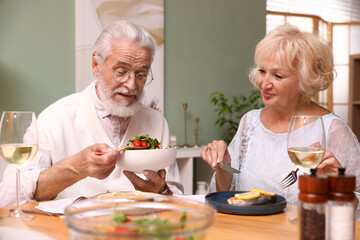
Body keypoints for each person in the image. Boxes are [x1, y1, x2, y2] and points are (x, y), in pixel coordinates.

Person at [0, 20, 183, 207]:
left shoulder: (156, 121)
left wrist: (161, 192)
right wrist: (76, 168)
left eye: (141, 74)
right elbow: (8, 197)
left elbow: (176, 197)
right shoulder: (54, 118)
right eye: (121, 72)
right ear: (96, 64)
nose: (131, 85)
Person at [200, 24, 360, 205]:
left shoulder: (332, 129)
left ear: (305, 80)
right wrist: (224, 166)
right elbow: (228, 195)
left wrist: (338, 187)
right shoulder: (250, 122)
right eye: (262, 71)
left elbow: (357, 209)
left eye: (278, 76)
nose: (264, 84)